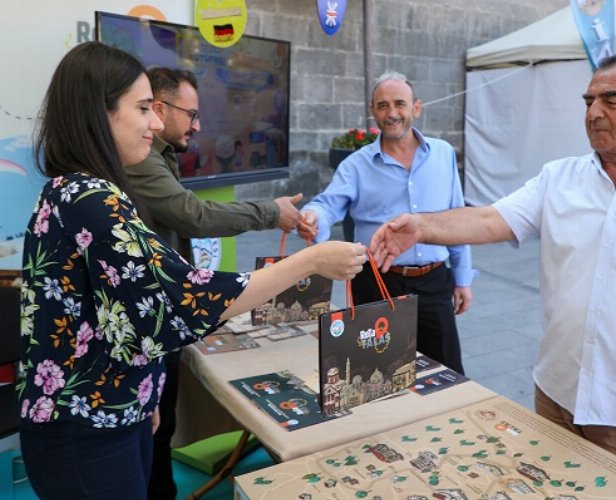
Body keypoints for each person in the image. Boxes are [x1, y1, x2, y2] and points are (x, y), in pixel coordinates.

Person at [17, 41, 365, 500]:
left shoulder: (79, 190)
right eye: (144, 109)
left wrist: (145, 397)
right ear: (98, 114)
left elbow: (121, 314)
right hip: (87, 430)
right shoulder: (90, 199)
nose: (156, 124)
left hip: (110, 412)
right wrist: (311, 261)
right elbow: (182, 299)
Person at [370, 53, 616, 478]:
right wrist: (420, 226)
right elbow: (490, 218)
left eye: (611, 100)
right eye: (588, 101)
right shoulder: (558, 179)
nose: (594, 112)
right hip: (556, 395)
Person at [125, 67, 304, 499]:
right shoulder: (138, 162)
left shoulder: (155, 156)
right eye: (191, 113)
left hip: (157, 321)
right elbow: (194, 214)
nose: (198, 125)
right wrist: (272, 214)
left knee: (158, 430)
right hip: (143, 327)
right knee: (152, 434)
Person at [298, 71, 473, 374]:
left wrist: (462, 278)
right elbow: (328, 205)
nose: (392, 113)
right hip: (378, 283)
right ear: (372, 111)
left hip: (434, 283)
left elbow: (455, 218)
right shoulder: (356, 165)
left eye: (399, 104)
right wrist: (313, 217)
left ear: (416, 108)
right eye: (382, 105)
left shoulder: (443, 154)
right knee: (377, 374)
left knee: (447, 373)